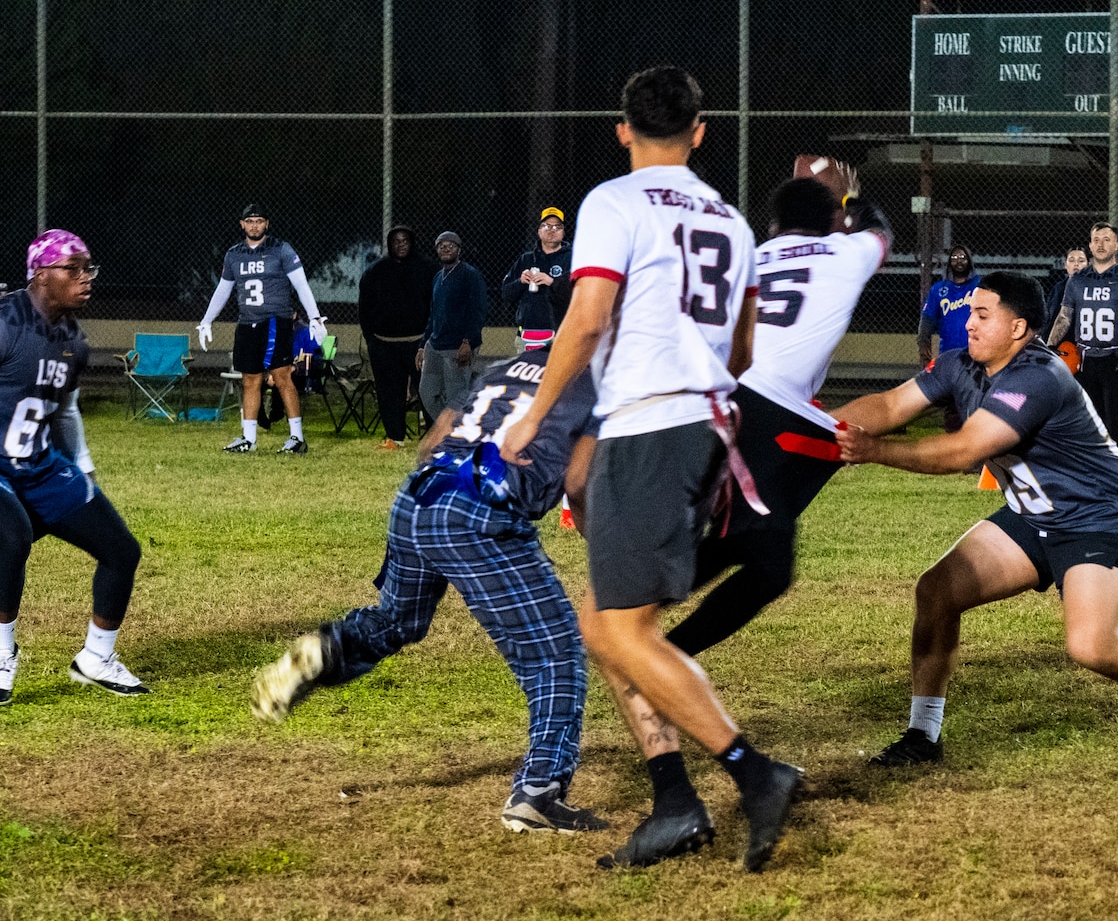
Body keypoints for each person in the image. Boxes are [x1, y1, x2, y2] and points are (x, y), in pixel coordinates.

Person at [498, 64, 802, 874]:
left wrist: (535, 414)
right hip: (704, 424)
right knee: (606, 622)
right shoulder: (732, 221)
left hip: (652, 426)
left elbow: (588, 316)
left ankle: (753, 773)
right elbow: (742, 351)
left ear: (622, 128)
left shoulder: (614, 201)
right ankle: (673, 799)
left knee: (620, 629)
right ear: (700, 131)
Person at [591, 164, 892, 862]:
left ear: (774, 224)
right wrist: (850, 195)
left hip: (720, 405)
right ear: (833, 220)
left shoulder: (749, 249)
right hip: (769, 418)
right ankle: (661, 667)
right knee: (725, 568)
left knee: (755, 559)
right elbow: (880, 229)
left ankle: (659, 667)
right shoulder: (847, 248)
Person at [833, 273, 1118, 769]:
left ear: (1018, 328)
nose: (968, 324)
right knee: (936, 592)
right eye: (969, 313)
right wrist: (820, 426)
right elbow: (889, 405)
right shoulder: (959, 363)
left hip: (1096, 517)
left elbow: (964, 451)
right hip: (1032, 512)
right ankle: (922, 735)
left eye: (982, 315)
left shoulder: (1039, 376)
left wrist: (875, 451)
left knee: (1092, 646)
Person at [249, 333, 607, 834]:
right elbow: (579, 481)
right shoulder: (603, 380)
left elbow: (434, 436)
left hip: (419, 495)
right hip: (482, 505)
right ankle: (538, 794)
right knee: (556, 651)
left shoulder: (508, 366)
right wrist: (606, 545)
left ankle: (328, 650)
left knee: (398, 620)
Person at [0, 231, 147, 705]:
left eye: (89, 269)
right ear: (41, 274)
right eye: (74, 269)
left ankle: (95, 658)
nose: (86, 278)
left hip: (38, 465)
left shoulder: (73, 341)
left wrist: (82, 469)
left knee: (121, 551)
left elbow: (63, 411)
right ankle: (1, 656)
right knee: (11, 537)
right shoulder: (5, 322)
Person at [197, 205, 327, 455]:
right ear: (242, 224)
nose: (254, 225)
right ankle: (248, 438)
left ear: (267, 223)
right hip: (247, 323)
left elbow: (301, 284)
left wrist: (315, 317)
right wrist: (207, 320)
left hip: (275, 321)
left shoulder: (281, 249)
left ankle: (297, 437)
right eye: (250, 221)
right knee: (250, 379)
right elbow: (223, 289)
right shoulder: (234, 254)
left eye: (259, 221)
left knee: (282, 376)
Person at [1047, 222, 1118, 449]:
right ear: (1090, 245)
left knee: (1115, 421)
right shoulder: (1077, 279)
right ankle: (1093, 465)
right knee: (1089, 420)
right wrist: (1050, 346)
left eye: (1106, 239)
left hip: (1115, 358)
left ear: (1117, 245)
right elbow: (1064, 316)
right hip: (1085, 359)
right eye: (1096, 240)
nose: (1101, 244)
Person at [358, 224, 435, 450]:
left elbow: (436, 305)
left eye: (405, 241)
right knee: (389, 393)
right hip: (384, 345)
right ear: (389, 244)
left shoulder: (428, 269)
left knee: (427, 392)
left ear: (412, 243)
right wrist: (372, 339)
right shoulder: (375, 271)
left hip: (418, 343)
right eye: (396, 241)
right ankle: (395, 437)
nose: (401, 245)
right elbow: (364, 308)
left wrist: (429, 339)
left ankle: (433, 438)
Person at [418, 232, 488, 423]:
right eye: (441, 246)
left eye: (451, 245)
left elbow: (478, 310)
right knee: (427, 393)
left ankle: (457, 431)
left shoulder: (470, 275)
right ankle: (449, 428)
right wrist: (423, 345)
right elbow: (434, 314)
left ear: (459, 250)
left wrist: (468, 341)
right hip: (435, 344)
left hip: (457, 345)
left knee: (455, 396)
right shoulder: (438, 277)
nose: (446, 249)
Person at [500, 207, 574, 342]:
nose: (552, 230)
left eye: (557, 226)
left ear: (563, 232)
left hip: (561, 334)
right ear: (539, 231)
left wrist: (552, 282)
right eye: (546, 226)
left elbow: (579, 294)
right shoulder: (526, 259)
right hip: (527, 334)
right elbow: (506, 294)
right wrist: (521, 281)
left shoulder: (572, 259)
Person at [918, 246, 979, 368]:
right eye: (954, 258)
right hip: (948, 353)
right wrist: (923, 342)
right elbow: (927, 319)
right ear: (949, 263)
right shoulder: (939, 289)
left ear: (969, 261)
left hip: (976, 352)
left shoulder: (980, 285)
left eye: (963, 257)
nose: (958, 261)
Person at [1042, 248, 1087, 342]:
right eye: (1071, 260)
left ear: (1089, 264)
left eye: (1081, 261)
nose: (1076, 264)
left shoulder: (1095, 288)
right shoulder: (1059, 288)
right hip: (1063, 342)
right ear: (1065, 265)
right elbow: (1051, 318)